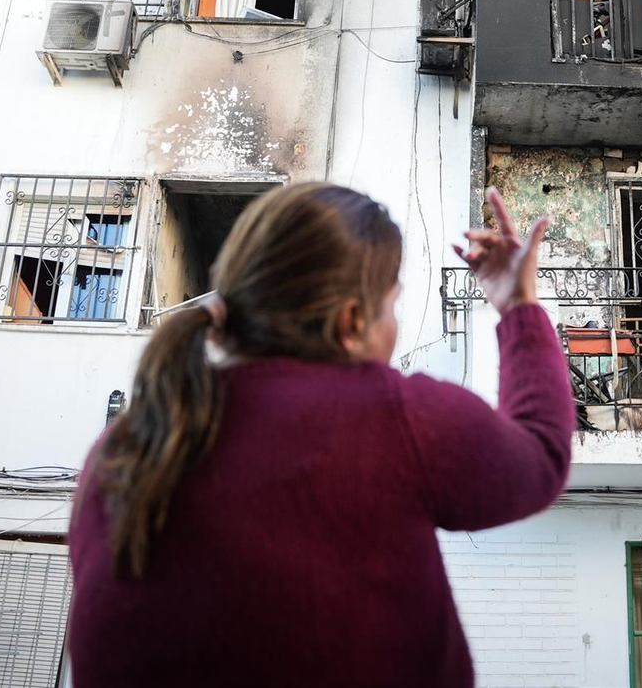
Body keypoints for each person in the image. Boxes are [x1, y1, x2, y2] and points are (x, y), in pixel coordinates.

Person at [67, 184, 573, 687]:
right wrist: (518, 304)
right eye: (392, 304)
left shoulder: (123, 447)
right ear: (353, 321)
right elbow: (542, 455)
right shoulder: (399, 419)